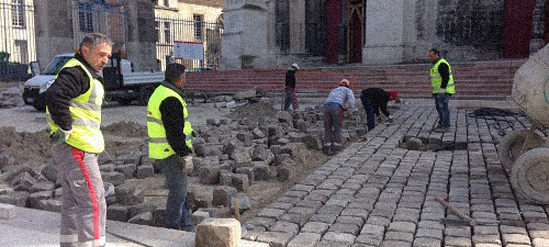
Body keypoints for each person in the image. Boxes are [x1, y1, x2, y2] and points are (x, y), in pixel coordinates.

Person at [45, 33, 112, 247]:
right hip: (77, 148)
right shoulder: (77, 72)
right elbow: (55, 96)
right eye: (101, 55)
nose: (105, 60)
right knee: (93, 202)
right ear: (85, 50)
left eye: (108, 57)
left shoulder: (86, 74)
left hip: (75, 148)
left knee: (73, 202)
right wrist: (65, 126)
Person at [147, 63, 194, 231]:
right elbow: (174, 133)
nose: (186, 80)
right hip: (171, 153)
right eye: (185, 77)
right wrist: (185, 154)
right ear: (179, 81)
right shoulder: (170, 99)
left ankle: (187, 227)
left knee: (179, 191)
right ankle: (171, 230)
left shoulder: (160, 93)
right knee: (178, 193)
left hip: (164, 152)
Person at [323, 79, 356, 155]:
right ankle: (336, 146)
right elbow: (351, 101)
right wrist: (349, 110)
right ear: (348, 85)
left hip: (326, 106)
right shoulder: (348, 90)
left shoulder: (334, 90)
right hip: (336, 106)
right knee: (337, 126)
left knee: (327, 126)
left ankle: (327, 146)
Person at [428, 48, 455, 133]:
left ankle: (445, 125)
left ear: (437, 55)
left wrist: (442, 89)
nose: (430, 58)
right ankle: (441, 124)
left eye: (431, 56)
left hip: (444, 91)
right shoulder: (436, 64)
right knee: (439, 108)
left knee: (443, 108)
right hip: (438, 91)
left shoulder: (442, 64)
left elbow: (445, 77)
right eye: (429, 56)